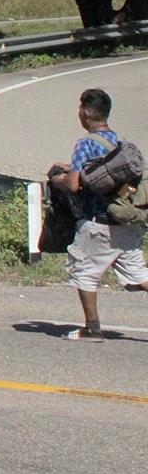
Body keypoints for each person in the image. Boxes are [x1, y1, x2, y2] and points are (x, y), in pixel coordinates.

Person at [46, 87, 147, 340]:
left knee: (84, 273)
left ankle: (92, 328)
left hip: (98, 223)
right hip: (127, 220)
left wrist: (58, 179)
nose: (79, 113)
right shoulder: (119, 144)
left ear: (87, 113)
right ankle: (91, 327)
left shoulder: (85, 144)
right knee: (139, 274)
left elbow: (74, 185)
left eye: (80, 108)